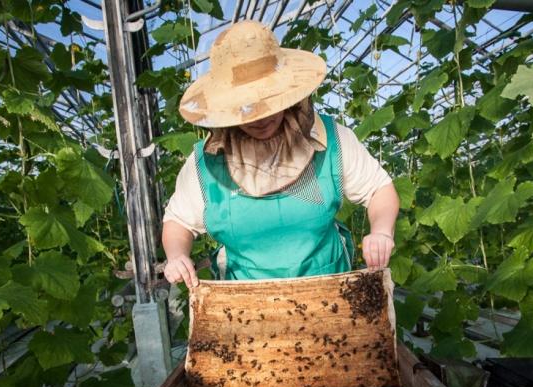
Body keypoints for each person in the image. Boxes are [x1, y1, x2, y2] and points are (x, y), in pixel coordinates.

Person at [161, 20, 399, 288]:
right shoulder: (205, 162)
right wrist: (177, 255)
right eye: (245, 106)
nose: (260, 117)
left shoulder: (329, 139)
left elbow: (379, 189)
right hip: (246, 301)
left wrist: (381, 232)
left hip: (330, 290)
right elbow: (178, 222)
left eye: (268, 100)